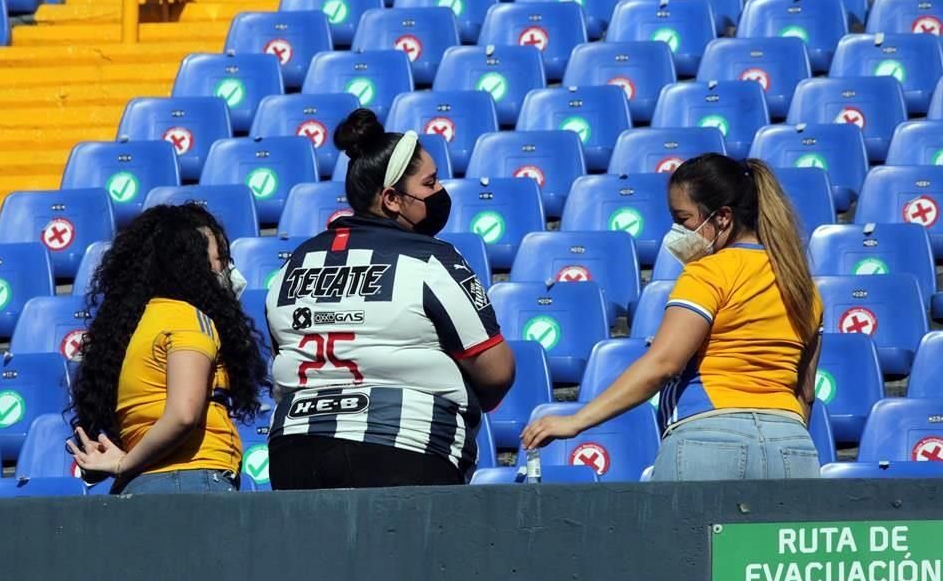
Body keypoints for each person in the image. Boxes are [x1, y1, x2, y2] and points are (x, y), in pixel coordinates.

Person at [522, 154, 824, 480]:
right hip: (794, 445)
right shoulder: (801, 283)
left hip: (709, 438)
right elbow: (805, 392)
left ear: (722, 217)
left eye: (684, 219)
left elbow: (663, 364)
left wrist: (575, 421)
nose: (678, 231)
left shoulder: (708, 272)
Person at [265, 108, 515, 489]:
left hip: (294, 450)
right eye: (430, 183)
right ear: (393, 199)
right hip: (406, 447)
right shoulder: (431, 259)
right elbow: (496, 370)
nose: (440, 193)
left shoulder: (292, 266)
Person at [66, 204, 269, 493]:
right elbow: (184, 414)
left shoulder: (129, 327)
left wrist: (128, 465)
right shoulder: (187, 317)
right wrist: (126, 464)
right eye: (220, 259)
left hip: (138, 487)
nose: (228, 269)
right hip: (192, 481)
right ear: (191, 264)